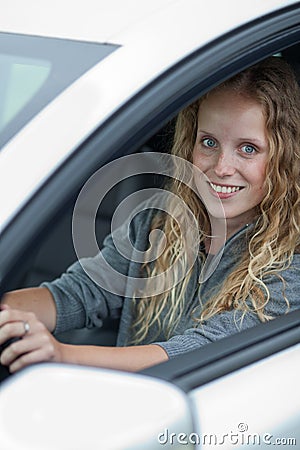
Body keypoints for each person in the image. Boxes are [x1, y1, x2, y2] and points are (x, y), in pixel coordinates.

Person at [1, 56, 300, 374]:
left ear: (285, 156)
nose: (222, 167)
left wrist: (61, 355)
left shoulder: (289, 269)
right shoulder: (156, 223)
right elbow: (77, 294)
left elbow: (195, 354)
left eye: (248, 149)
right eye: (209, 142)